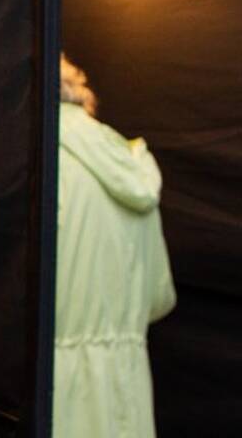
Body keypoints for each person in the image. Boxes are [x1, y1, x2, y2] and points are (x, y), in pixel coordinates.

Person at [53, 54, 175, 437]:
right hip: (128, 392)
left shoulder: (41, 163)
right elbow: (159, 297)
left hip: (60, 393)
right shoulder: (130, 162)